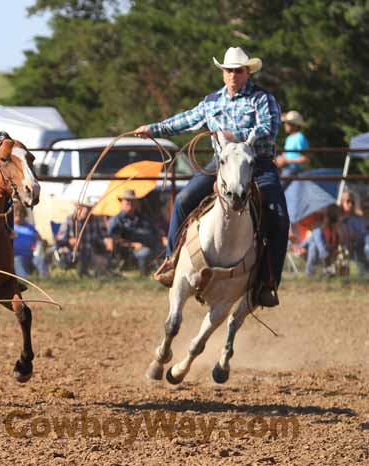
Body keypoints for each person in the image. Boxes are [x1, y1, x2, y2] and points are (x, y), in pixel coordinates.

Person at [133, 46, 287, 307]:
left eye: (238, 71)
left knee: (279, 217)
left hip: (256, 163)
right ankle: (172, 261)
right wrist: (153, 129)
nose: (232, 76)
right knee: (183, 200)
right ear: (223, 73)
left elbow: (269, 128)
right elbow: (185, 120)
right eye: (228, 71)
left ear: (247, 72)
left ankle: (268, 281)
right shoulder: (212, 101)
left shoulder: (262, 98)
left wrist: (235, 136)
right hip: (222, 164)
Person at [107, 189, 163, 276]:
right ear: (121, 202)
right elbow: (114, 239)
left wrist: (162, 237)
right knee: (146, 252)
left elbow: (154, 231)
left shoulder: (142, 218)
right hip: (129, 250)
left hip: (153, 245)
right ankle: (144, 275)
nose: (130, 203)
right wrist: (133, 244)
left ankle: (162, 274)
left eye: (133, 200)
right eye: (127, 200)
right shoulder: (116, 221)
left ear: (136, 203)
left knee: (166, 250)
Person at [55, 202, 112, 277]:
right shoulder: (69, 220)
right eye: (83, 207)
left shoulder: (95, 219)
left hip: (91, 253)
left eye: (88, 208)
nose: (86, 210)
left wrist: (107, 241)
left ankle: (98, 275)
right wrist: (69, 241)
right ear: (78, 208)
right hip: (74, 254)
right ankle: (85, 273)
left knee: (101, 261)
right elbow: (58, 241)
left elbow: (101, 237)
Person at [276, 110, 310, 188]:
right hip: (286, 169)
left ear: (295, 125)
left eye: (287, 123)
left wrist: (286, 161)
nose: (285, 125)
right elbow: (286, 154)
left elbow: (306, 159)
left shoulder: (300, 137)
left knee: (278, 188)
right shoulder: (289, 138)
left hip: (293, 171)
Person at [12, 206, 42, 278]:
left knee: (40, 258)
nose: (18, 214)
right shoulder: (10, 228)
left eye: (20, 213)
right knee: (17, 260)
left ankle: (43, 277)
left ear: (24, 214)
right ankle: (25, 278)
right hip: (17, 257)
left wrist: (41, 244)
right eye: (16, 213)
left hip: (32, 257)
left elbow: (40, 240)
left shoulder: (30, 227)